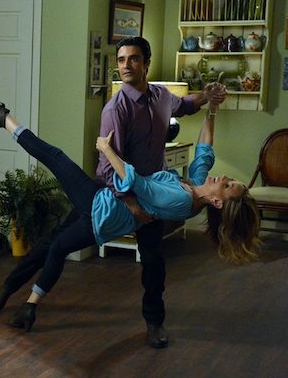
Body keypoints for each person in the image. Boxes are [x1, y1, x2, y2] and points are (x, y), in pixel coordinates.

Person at [0, 85, 260, 335]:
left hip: (105, 203)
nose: (224, 178)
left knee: (55, 158)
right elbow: (204, 152)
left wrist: (106, 148)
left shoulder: (180, 197)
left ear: (218, 203)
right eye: (230, 179)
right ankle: (12, 292)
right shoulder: (196, 189)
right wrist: (211, 109)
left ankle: (3, 118)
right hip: (108, 196)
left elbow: (136, 182)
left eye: (228, 185)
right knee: (55, 245)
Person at [96, 36, 228, 348]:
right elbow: (108, 167)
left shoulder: (161, 96)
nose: (126, 65)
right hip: (121, 196)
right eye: (121, 60)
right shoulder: (116, 108)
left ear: (147, 63)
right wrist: (131, 205)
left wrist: (207, 97)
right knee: (63, 243)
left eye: (133, 59)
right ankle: (20, 293)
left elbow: (186, 105)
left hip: (154, 196)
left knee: (154, 262)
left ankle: (154, 323)